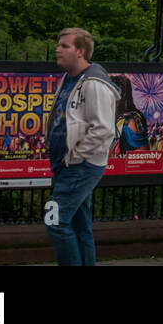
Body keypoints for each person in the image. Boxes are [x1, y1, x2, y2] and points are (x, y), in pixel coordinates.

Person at [45, 27, 120, 266]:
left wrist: (76, 156)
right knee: (79, 225)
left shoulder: (94, 83)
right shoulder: (71, 78)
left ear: (80, 51)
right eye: (58, 44)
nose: (57, 49)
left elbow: (104, 129)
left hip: (79, 166)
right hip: (69, 164)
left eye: (64, 46)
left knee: (55, 221)